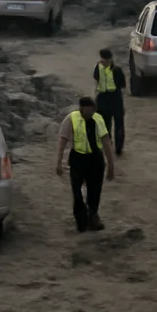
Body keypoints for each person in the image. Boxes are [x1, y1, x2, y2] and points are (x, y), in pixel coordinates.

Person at [55, 96, 115, 232]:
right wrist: (58, 161)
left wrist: (111, 164)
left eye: (93, 110)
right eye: (88, 110)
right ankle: (81, 219)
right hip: (78, 158)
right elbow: (63, 140)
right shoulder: (71, 119)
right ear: (81, 108)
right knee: (77, 190)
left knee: (95, 190)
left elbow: (106, 141)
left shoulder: (98, 119)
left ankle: (93, 215)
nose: (90, 113)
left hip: (95, 159)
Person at [92, 48, 127, 156]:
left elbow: (96, 80)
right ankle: (115, 148)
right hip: (113, 99)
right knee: (115, 126)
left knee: (109, 126)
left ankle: (111, 148)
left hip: (104, 100)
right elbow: (123, 85)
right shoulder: (116, 69)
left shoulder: (99, 68)